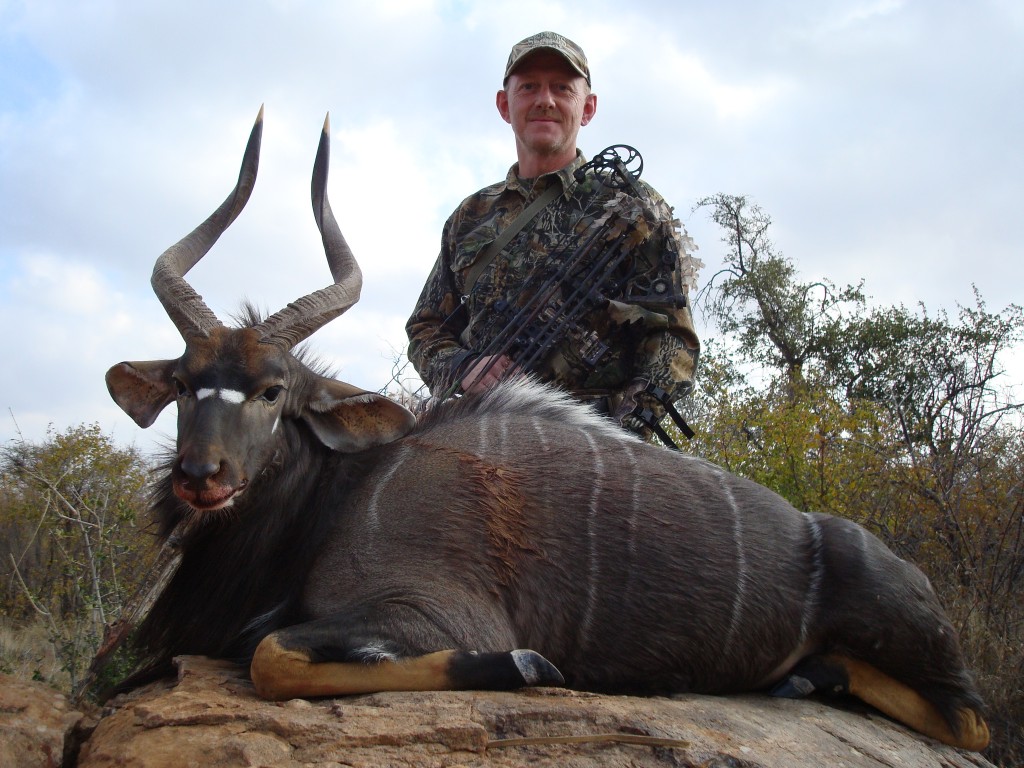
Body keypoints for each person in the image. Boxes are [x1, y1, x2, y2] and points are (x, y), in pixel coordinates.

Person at [405, 31, 701, 441]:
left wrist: (621, 432)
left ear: (588, 107)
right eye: (529, 87)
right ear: (504, 105)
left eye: (562, 88)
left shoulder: (633, 208)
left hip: (596, 451)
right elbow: (425, 328)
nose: (545, 99)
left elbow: (673, 341)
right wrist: (462, 367)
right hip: (486, 440)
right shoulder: (469, 217)